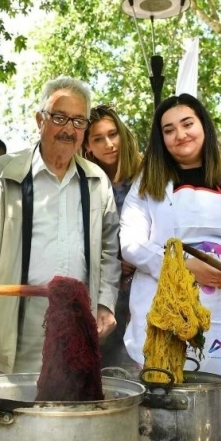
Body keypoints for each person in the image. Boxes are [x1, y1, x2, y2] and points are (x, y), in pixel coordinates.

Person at [119, 93, 221, 441]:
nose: (181, 135)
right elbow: (129, 242)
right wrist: (183, 268)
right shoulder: (148, 184)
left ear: (203, 125)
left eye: (187, 124)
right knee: (170, 424)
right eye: (169, 130)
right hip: (170, 323)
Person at [0, 76, 120, 374]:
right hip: (12, 333)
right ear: (39, 119)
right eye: (59, 117)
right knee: (10, 416)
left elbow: (109, 252)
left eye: (79, 121)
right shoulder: (3, 174)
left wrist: (105, 304)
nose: (69, 129)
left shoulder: (96, 182)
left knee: (69, 416)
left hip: (76, 333)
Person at [82, 104, 141, 368]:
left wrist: (139, 255)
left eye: (113, 134)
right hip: (102, 291)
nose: (109, 144)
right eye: (98, 138)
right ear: (87, 147)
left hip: (144, 287)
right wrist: (114, 260)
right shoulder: (84, 183)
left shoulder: (148, 173)